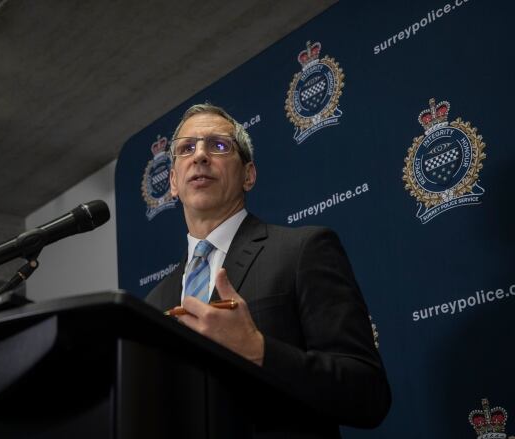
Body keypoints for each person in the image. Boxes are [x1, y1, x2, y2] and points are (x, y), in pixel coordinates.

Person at [145, 103, 391, 438]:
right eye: (186, 148)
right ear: (173, 181)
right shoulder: (154, 302)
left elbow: (368, 394)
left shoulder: (302, 251)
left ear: (249, 175)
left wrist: (258, 350)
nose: (200, 156)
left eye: (219, 146)